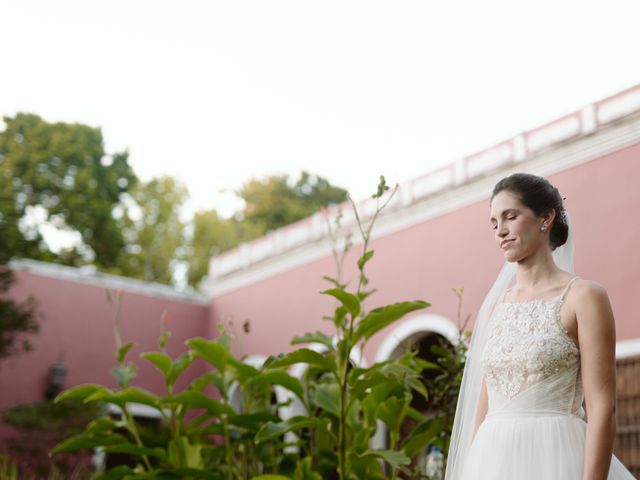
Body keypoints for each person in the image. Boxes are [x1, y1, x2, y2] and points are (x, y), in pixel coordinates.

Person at [445, 173, 635, 479]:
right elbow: (483, 404)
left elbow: (603, 409)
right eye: (494, 223)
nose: (501, 231)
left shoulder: (584, 296)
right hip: (490, 462)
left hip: (558, 457)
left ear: (546, 217)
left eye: (511, 216)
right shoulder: (495, 307)